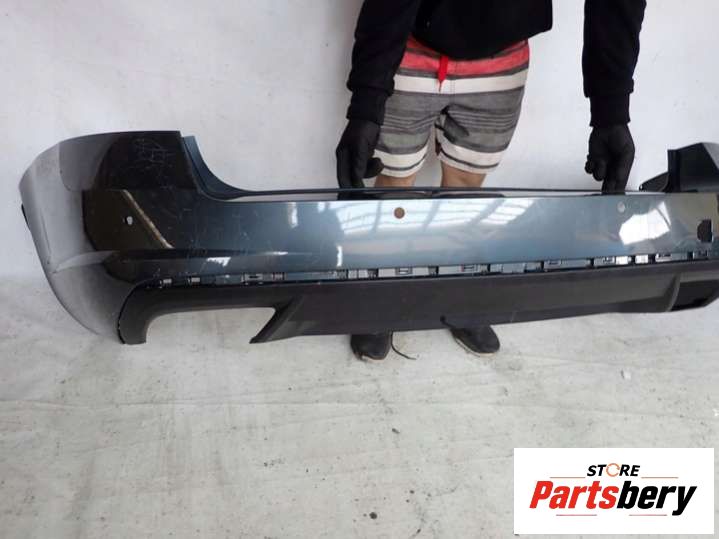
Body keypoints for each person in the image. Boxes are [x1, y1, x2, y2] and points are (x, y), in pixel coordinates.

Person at [336, 0, 647, 360]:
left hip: (500, 59)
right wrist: (367, 102)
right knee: (394, 188)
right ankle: (382, 299)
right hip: (409, 46)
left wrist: (611, 111)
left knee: (466, 190)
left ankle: (460, 293)